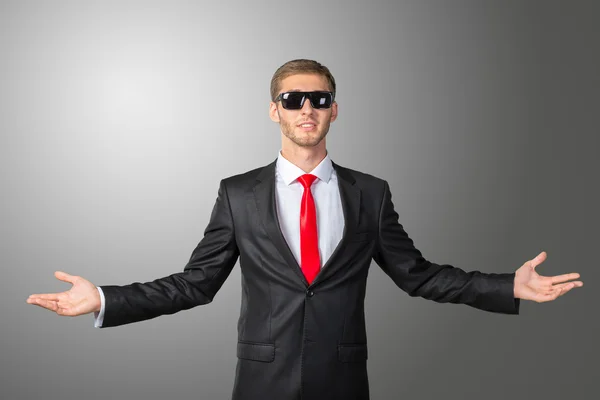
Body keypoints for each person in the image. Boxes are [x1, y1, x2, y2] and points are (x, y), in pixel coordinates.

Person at [27, 59, 583, 400]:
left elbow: (418, 276)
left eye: (319, 99)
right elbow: (195, 284)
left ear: (334, 110)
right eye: (294, 100)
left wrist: (507, 285)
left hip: (342, 379)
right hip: (261, 381)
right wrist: (103, 298)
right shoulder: (238, 192)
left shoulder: (371, 193)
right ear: (275, 110)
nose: (307, 109)